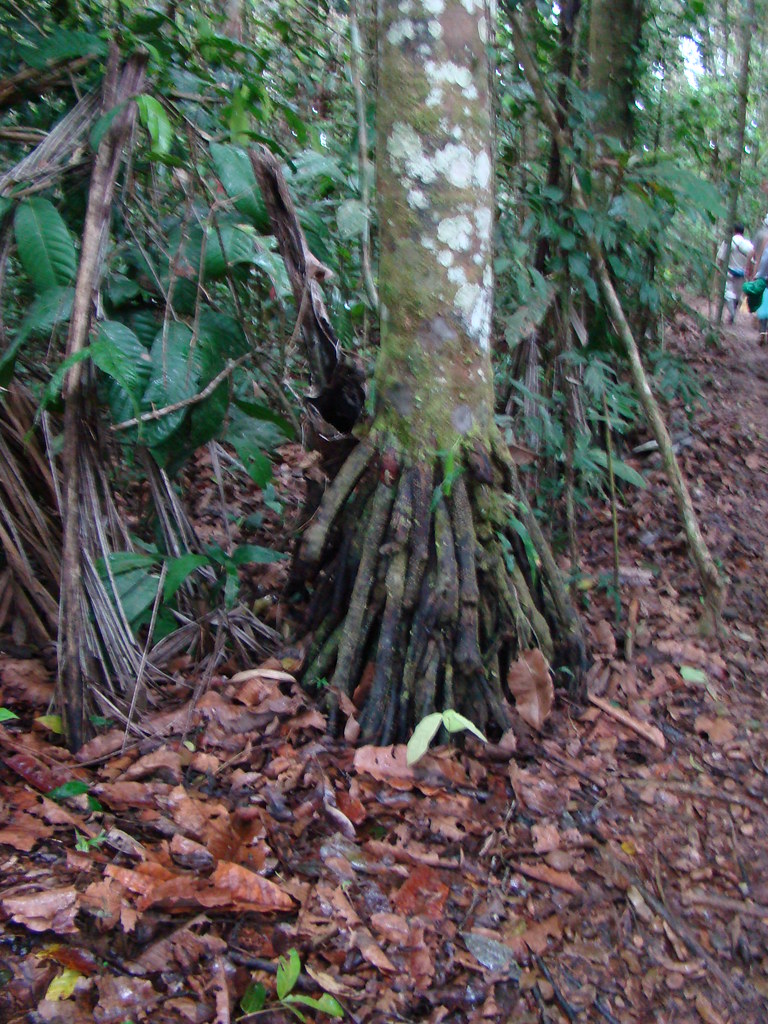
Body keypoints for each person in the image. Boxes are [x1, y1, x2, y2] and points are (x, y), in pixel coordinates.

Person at [717, 222, 755, 323]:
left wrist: (718, 269)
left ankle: (732, 313)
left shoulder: (728, 242)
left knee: (728, 293)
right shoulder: (748, 245)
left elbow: (720, 258)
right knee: (737, 295)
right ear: (743, 232)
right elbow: (752, 261)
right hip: (742, 274)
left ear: (734, 231)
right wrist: (750, 274)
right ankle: (733, 313)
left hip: (729, 272)